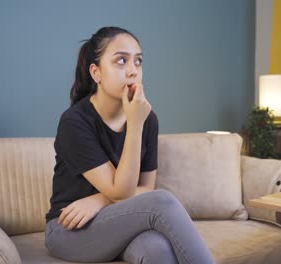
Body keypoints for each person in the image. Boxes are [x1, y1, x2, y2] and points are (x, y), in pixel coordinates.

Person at [45, 26, 215, 264]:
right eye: (121, 61)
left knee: (156, 248)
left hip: (116, 222)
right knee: (162, 201)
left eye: (138, 62)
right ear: (96, 72)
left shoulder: (148, 118)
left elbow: (146, 187)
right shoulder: (75, 121)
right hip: (69, 230)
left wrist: (99, 200)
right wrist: (135, 125)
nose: (133, 71)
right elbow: (129, 193)